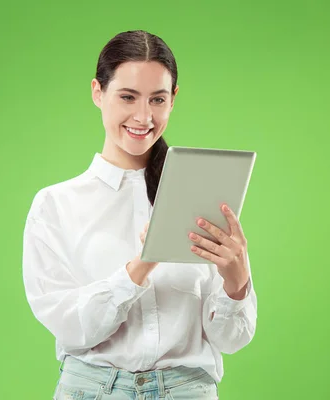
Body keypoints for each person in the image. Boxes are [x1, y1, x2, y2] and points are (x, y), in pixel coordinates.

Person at [22, 30, 257, 400]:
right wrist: (141, 267)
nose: (143, 116)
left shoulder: (202, 195)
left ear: (173, 100)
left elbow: (231, 340)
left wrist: (237, 282)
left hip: (187, 391)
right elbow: (71, 328)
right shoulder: (55, 205)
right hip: (92, 391)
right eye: (127, 97)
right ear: (98, 92)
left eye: (158, 99)